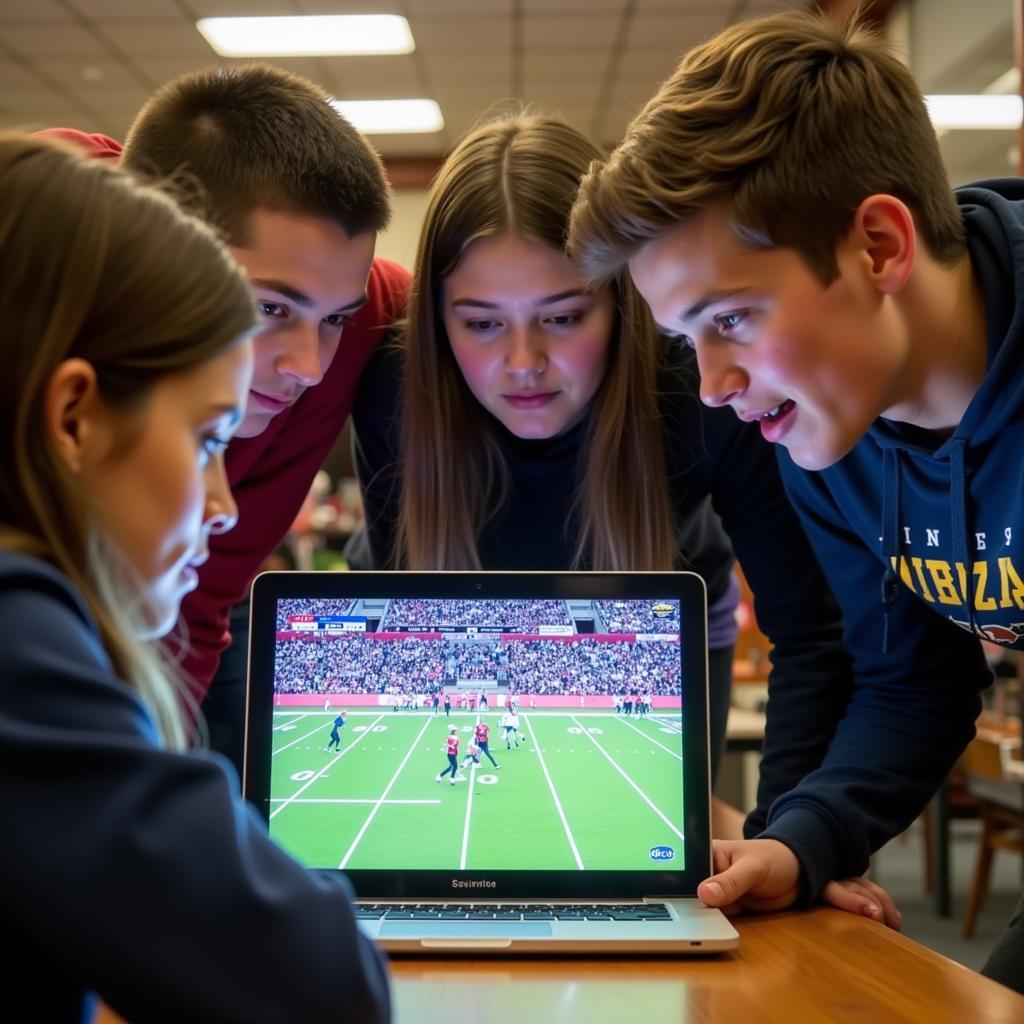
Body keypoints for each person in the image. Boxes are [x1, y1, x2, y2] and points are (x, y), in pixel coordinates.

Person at [568, 10, 1023, 986]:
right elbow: (911, 678)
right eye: (687, 338)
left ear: (877, 247)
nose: (713, 385)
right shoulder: (827, 434)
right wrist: (802, 839)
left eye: (730, 318)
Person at [352, 114, 859, 854]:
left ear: (622, 305)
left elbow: (811, 632)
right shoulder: (392, 385)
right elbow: (406, 628)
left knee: (640, 845)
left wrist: (789, 843)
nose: (524, 362)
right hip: (459, 619)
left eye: (563, 316)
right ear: (437, 321)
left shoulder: (700, 385)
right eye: (482, 325)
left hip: (666, 617)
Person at [0, 133, 389, 1022]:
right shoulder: (17, 633)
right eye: (208, 439)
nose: (224, 502)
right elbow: (320, 982)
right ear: (73, 418)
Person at [42, 62, 409, 777]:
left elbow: (200, 607)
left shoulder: (376, 309)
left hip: (182, 632)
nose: (309, 364)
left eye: (335, 317)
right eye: (270, 308)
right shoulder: (39, 234)